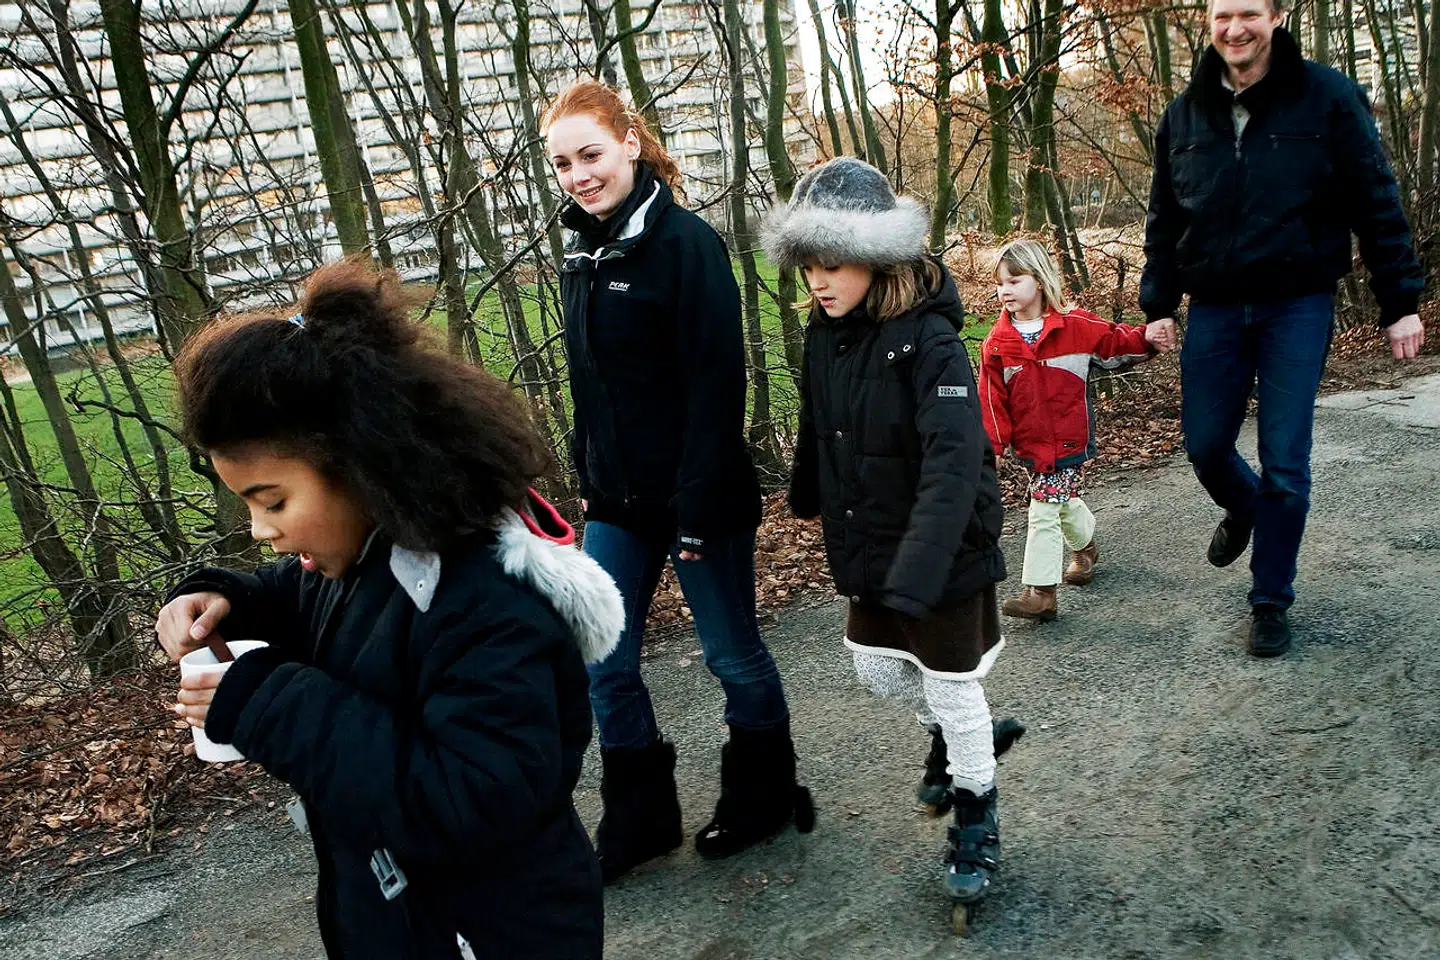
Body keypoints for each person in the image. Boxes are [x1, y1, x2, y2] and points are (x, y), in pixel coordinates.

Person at [154, 261, 621, 959]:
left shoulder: (488, 602)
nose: (259, 530)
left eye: (273, 501)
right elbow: (301, 601)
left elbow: (471, 802)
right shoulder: (361, 554)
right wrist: (228, 599)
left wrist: (269, 705)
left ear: (360, 465)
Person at [542, 80, 812, 882]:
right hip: (617, 503)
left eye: (591, 154)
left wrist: (695, 507)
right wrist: (590, 473)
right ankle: (642, 819)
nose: (579, 175)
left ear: (631, 142)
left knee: (730, 654)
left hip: (701, 498)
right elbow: (589, 381)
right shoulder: (581, 253)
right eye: (562, 163)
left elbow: (715, 385)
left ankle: (763, 796)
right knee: (604, 663)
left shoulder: (688, 245)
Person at [765, 156, 1011, 921]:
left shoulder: (931, 341)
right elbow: (820, 422)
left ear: (877, 256)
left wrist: (925, 560)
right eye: (808, 265)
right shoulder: (825, 335)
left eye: (833, 263)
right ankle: (956, 734)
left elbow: (955, 457)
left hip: (943, 549)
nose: (818, 281)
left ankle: (976, 814)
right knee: (875, 668)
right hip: (874, 542)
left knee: (952, 683)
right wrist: (805, 488)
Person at [1141, 0, 1425, 656]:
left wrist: (1400, 299)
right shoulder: (1185, 114)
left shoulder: (1327, 98)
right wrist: (1159, 303)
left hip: (1297, 304)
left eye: (1249, 13)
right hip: (1215, 306)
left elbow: (1375, 197)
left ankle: (1270, 598)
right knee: (1206, 446)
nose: (1235, 28)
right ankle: (1246, 507)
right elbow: (1164, 217)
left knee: (1286, 462)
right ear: (1208, 22)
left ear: (1275, 17)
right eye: (1222, 15)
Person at [979, 239, 1174, 622]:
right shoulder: (997, 344)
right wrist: (993, 448)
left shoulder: (1075, 326)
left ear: (1039, 280)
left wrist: (1147, 338)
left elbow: (1116, 342)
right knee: (1061, 502)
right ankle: (1086, 548)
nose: (1005, 290)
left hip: (1069, 439)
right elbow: (991, 401)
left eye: (1014, 281)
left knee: (1043, 508)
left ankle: (1041, 592)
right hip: (1031, 445)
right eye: (1000, 283)